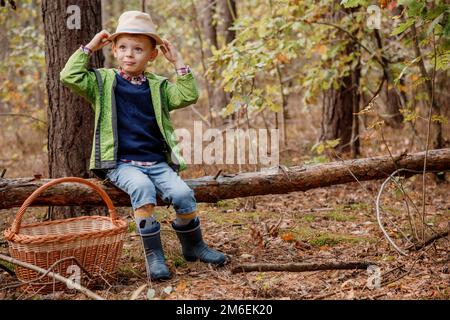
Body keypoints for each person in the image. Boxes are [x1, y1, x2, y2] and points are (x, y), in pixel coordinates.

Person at [60, 11, 227, 280]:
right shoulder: (102, 82)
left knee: (183, 194)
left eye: (138, 49)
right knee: (143, 188)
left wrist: (179, 63)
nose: (129, 54)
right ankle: (154, 255)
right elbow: (69, 76)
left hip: (156, 162)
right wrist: (89, 48)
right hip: (121, 163)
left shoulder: (158, 86)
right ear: (113, 50)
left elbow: (187, 94)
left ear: (152, 55)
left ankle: (194, 246)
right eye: (123, 47)